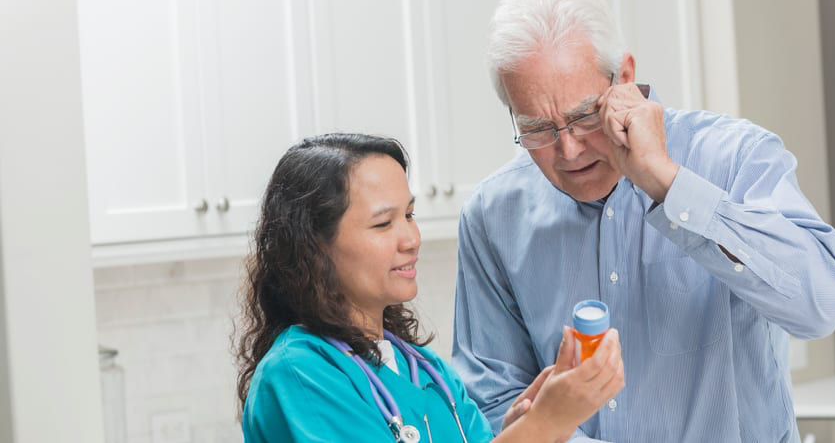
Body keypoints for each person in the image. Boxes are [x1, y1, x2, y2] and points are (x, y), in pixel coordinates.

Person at [451, 0, 835, 443]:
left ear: (624, 78)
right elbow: (491, 398)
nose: (569, 150)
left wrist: (667, 184)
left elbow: (822, 305)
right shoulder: (492, 214)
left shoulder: (735, 156)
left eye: (583, 115)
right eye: (537, 128)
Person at [236, 133, 625, 442]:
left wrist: (528, 428)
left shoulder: (428, 372)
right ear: (314, 246)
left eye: (409, 214)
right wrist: (542, 424)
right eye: (383, 224)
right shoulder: (300, 376)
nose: (411, 238)